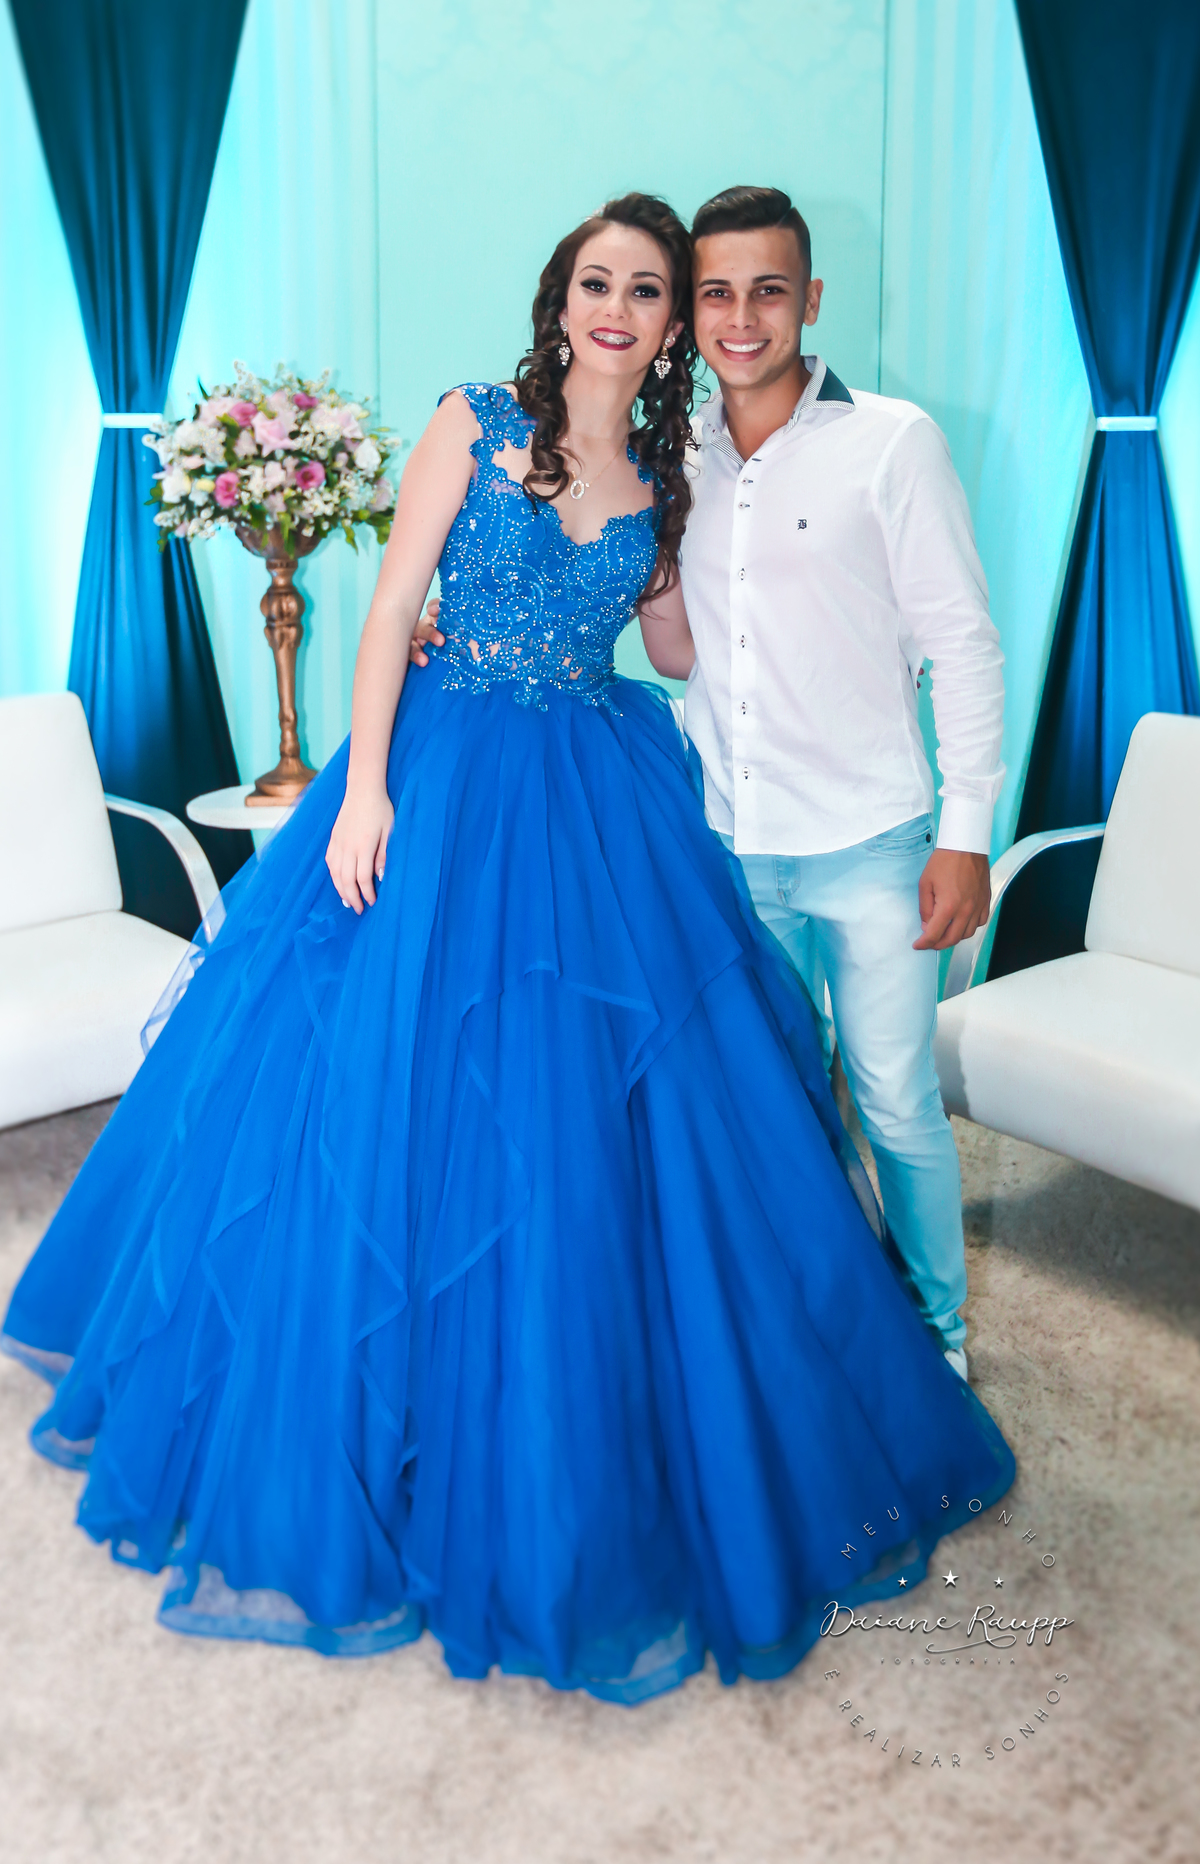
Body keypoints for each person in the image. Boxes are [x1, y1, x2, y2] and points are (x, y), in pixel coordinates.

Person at [3, 195, 1013, 1703]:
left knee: (616, 1109)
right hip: (440, 773)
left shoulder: (672, 473)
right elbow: (390, 609)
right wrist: (366, 790)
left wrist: (780, 624)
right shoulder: (472, 421)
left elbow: (675, 647)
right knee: (381, 1090)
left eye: (648, 291)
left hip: (595, 786)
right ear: (562, 299)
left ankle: (845, 1347)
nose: (620, 307)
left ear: (672, 330)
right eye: (600, 281)